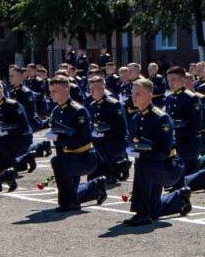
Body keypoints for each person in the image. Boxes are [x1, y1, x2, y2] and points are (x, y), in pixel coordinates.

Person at [123, 78, 193, 226]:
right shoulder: (136, 118)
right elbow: (131, 140)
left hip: (169, 166)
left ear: (149, 95)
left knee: (142, 166)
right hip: (152, 166)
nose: (133, 98)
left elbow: (163, 152)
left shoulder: (161, 118)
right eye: (132, 94)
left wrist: (140, 153)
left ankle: (141, 213)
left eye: (138, 94)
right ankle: (179, 197)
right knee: (154, 210)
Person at [47, 76, 107, 213]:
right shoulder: (56, 111)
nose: (51, 94)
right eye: (50, 91)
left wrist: (59, 138)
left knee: (57, 162)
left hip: (84, 156)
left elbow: (82, 139)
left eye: (54, 91)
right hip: (68, 157)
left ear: (66, 90)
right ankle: (96, 186)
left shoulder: (78, 110)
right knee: (70, 187)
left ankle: (70, 203)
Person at [87, 76, 130, 185]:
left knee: (104, 177)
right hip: (99, 143)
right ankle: (116, 167)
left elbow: (122, 128)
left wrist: (107, 129)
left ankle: (119, 166)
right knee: (92, 178)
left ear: (103, 88)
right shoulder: (92, 105)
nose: (91, 91)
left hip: (113, 142)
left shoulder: (114, 104)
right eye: (90, 88)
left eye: (95, 88)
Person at [164, 67, 203, 177]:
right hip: (176, 141)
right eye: (169, 80)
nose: (170, 83)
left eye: (174, 79)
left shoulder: (191, 98)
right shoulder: (169, 99)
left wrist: (179, 126)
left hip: (188, 142)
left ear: (182, 80)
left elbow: (196, 124)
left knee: (189, 173)